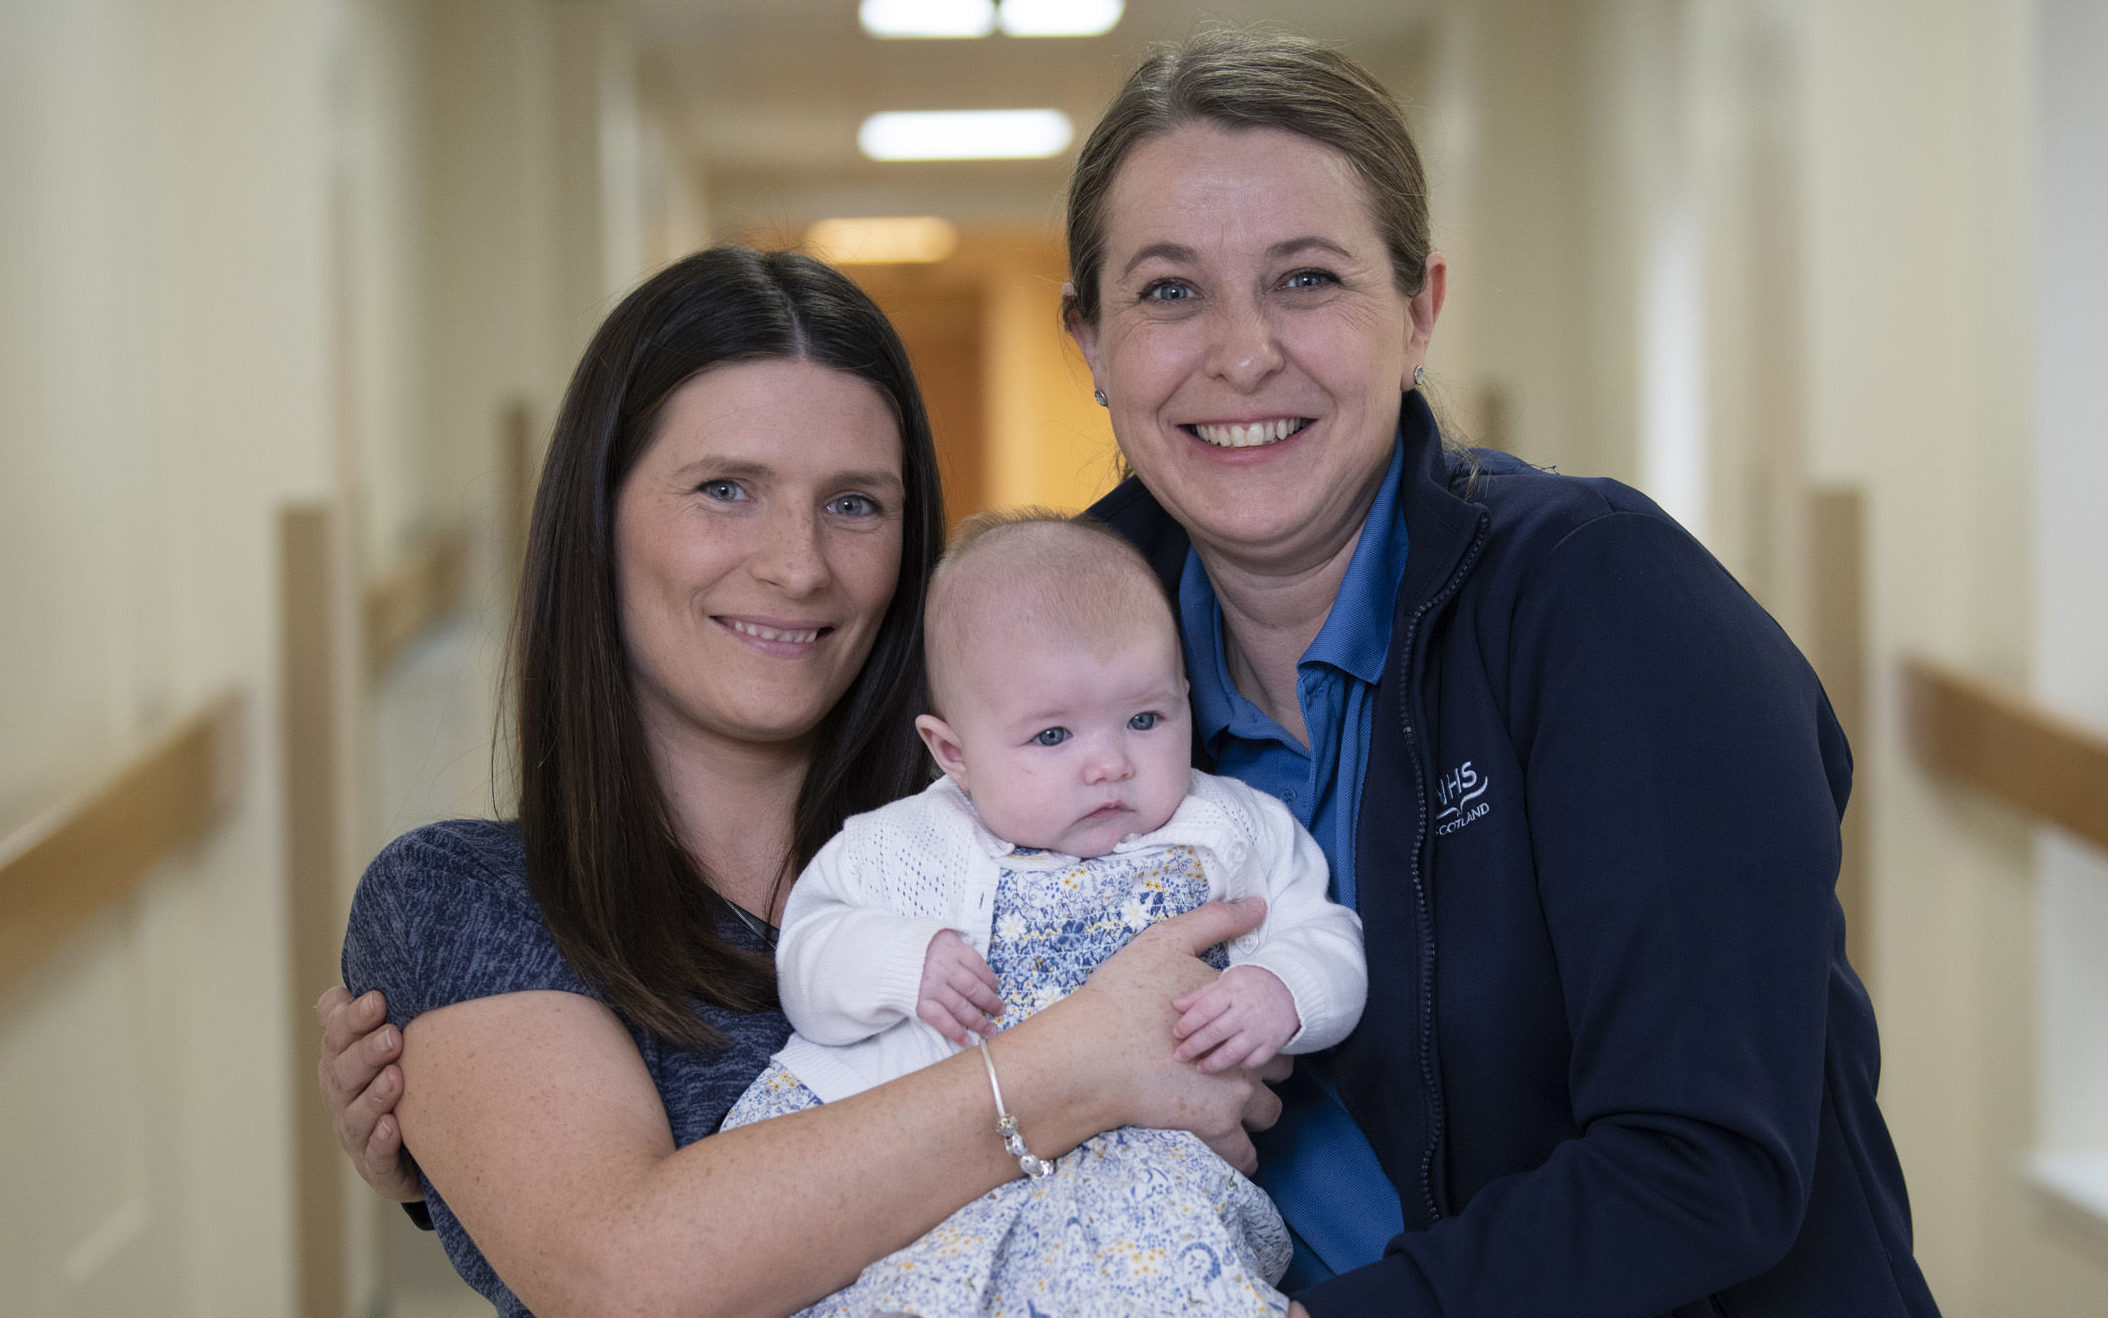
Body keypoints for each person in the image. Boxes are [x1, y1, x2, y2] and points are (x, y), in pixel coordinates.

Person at [327, 28, 1942, 1318]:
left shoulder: (1599, 603)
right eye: (1168, 290)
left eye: (1306, 276)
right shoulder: (1035, 686)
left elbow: (1705, 1160)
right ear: (1086, 342)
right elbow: (671, 1204)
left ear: (1419, 305)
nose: (1239, 352)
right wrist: (472, 1150)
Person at [329, 244, 1283, 1318]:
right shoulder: (468, 896)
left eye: (855, 505)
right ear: (598, 519)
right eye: (725, 490)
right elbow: (624, 1275)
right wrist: (1079, 1063)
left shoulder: (1071, 817)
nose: (797, 564)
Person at [718, 512, 1367, 1316]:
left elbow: (1327, 935)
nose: (1108, 764)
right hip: (924, 1182)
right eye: (1052, 734)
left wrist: (1283, 989)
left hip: (1139, 1181)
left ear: (1185, 701)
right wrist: (898, 961)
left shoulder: (1227, 831)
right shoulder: (904, 848)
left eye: (1145, 719)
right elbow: (809, 959)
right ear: (953, 753)